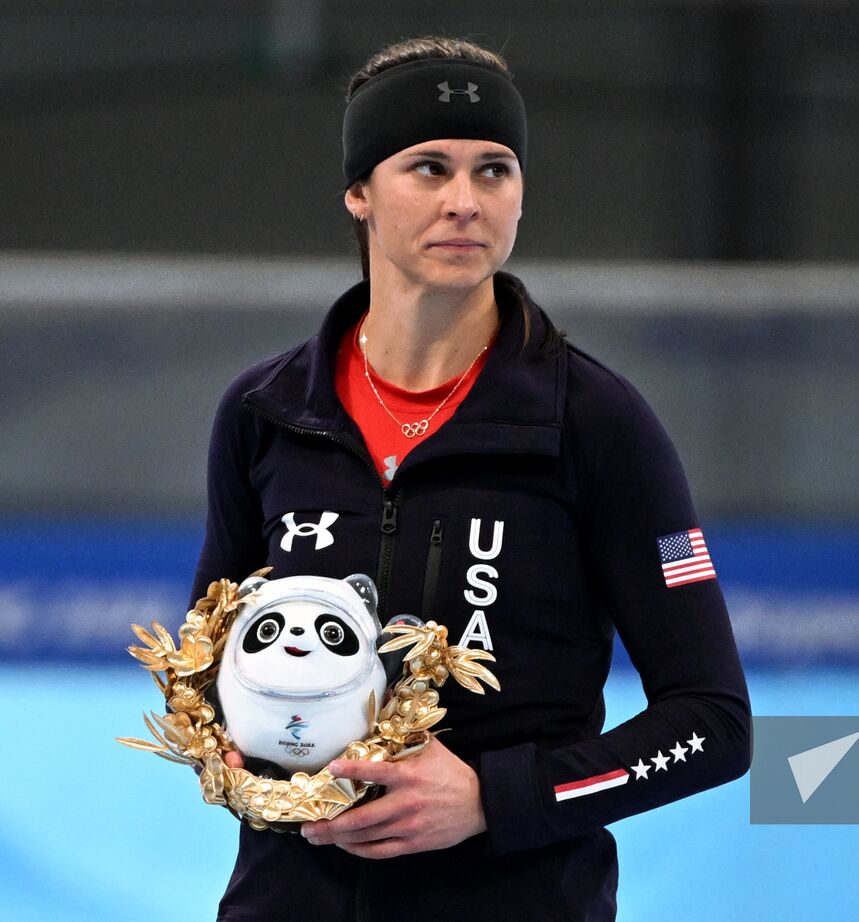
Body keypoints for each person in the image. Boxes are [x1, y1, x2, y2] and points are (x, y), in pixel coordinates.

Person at [190, 35, 751, 921]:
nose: (465, 201)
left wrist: (498, 798)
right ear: (359, 193)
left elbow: (713, 727)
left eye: (494, 170)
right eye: (429, 167)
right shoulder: (265, 413)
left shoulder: (596, 422)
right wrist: (231, 755)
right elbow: (212, 665)